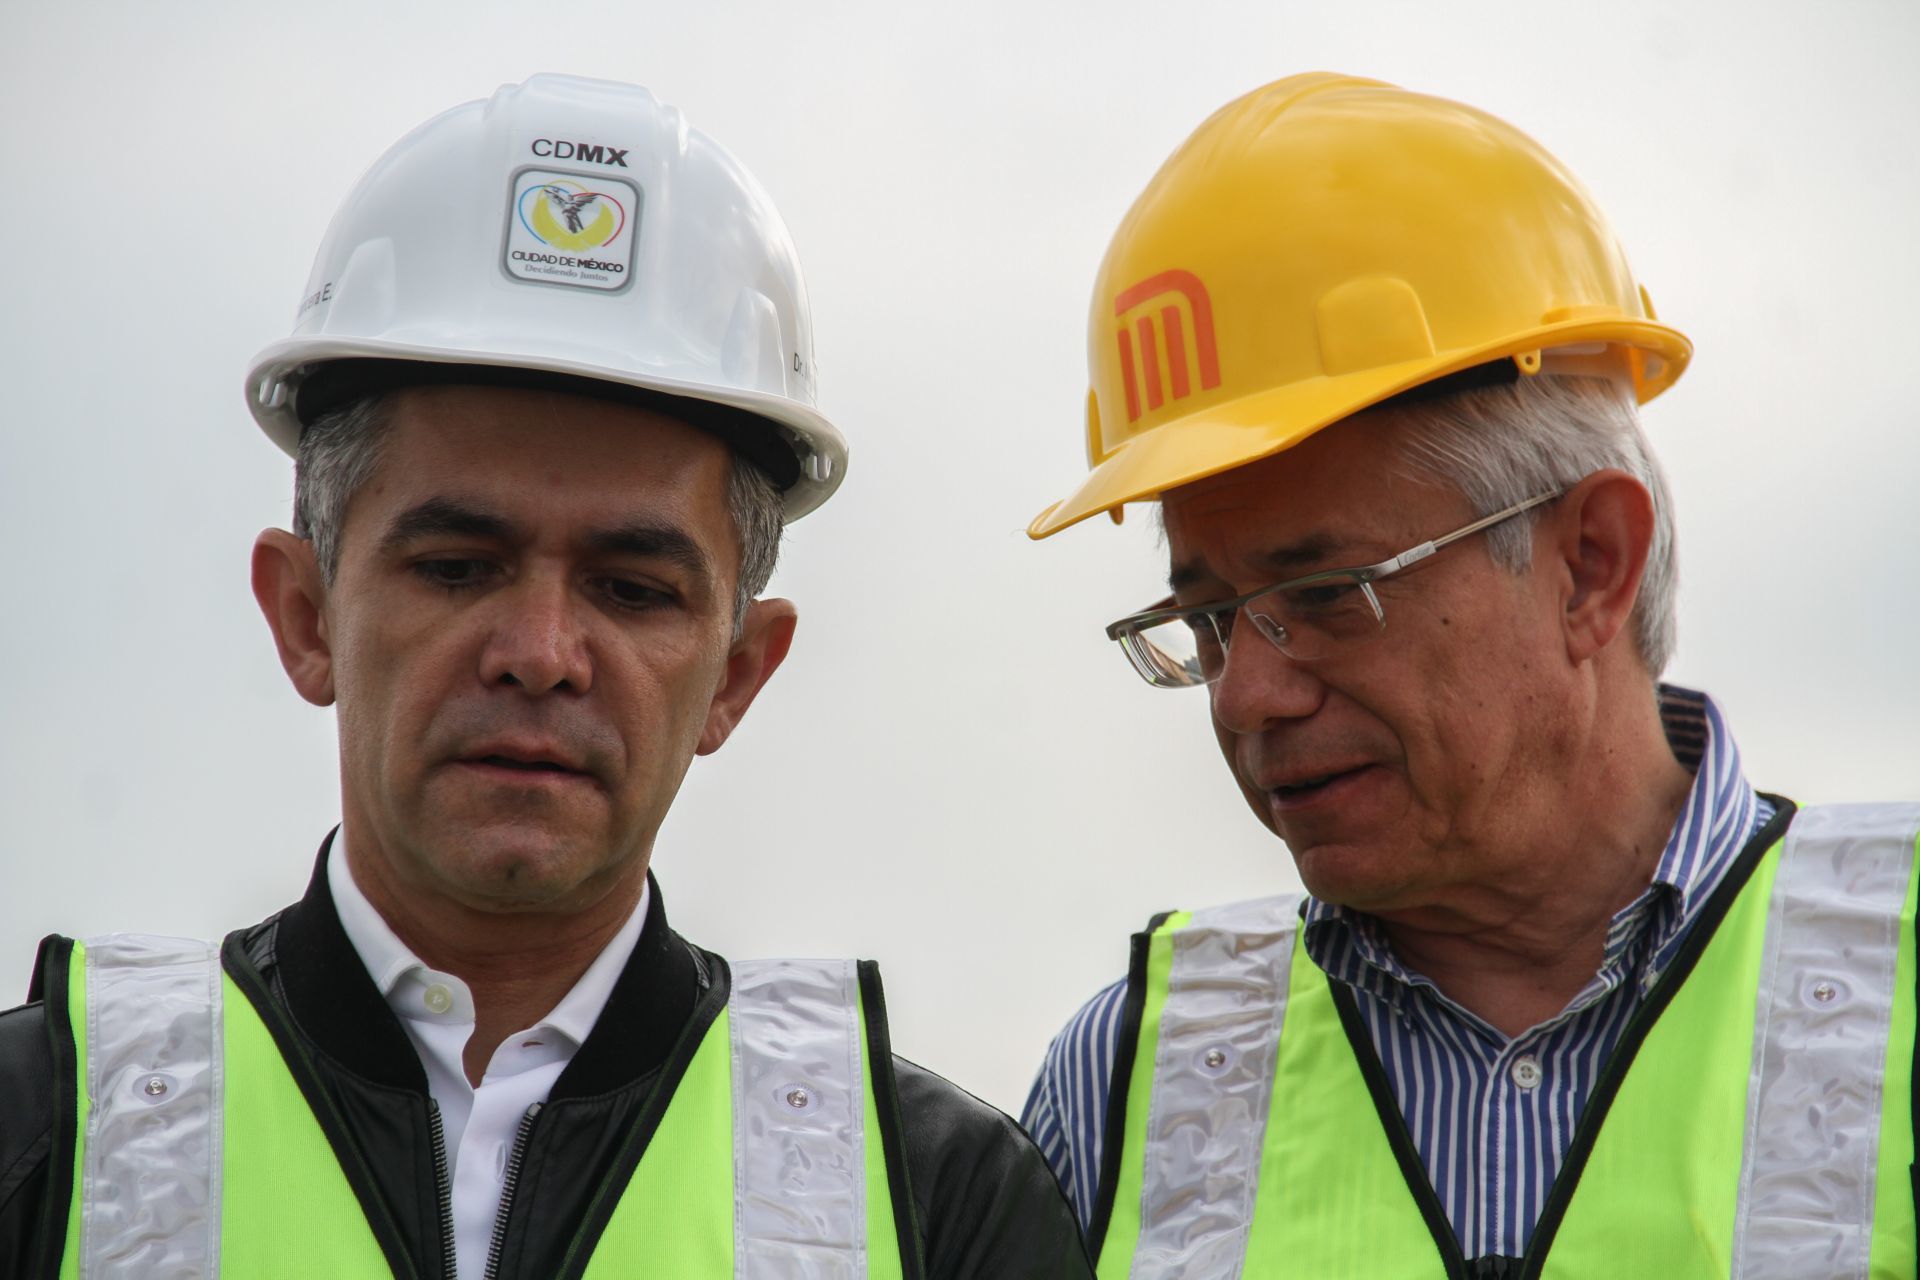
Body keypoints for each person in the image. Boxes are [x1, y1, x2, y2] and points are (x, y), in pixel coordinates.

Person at [0, 74, 1090, 1279]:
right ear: (305, 614)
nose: (540, 652)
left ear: (739, 673)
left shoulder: (946, 1208)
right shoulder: (32, 1138)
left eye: (633, 588)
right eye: (459, 565)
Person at [1020, 72, 1919, 1277]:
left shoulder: (1895, 975)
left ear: (1592, 564)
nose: (1247, 698)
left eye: (1329, 594)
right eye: (1212, 619)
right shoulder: (1123, 1085)